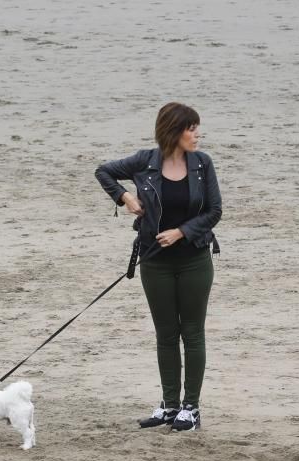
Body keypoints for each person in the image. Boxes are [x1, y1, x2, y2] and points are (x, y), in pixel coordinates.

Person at [95, 103, 222, 432]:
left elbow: (214, 211)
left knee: (192, 333)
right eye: (191, 128)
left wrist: (182, 232)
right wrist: (126, 197)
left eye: (196, 128)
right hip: (154, 261)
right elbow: (104, 171)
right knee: (166, 334)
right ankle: (169, 406)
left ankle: (191, 408)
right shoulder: (144, 161)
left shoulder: (201, 164)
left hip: (195, 258)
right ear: (174, 130)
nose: (197, 134)